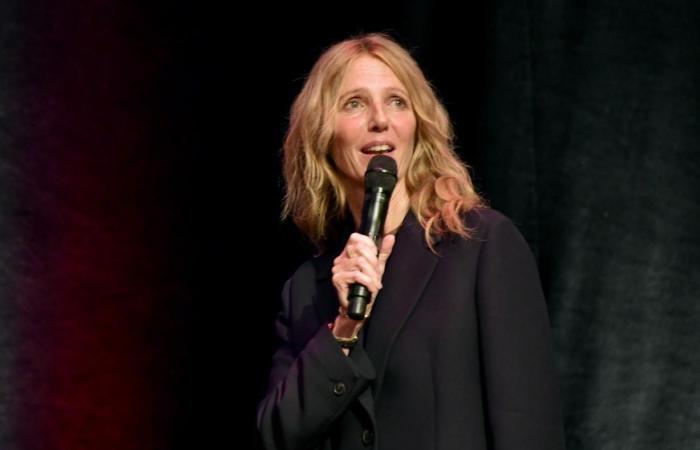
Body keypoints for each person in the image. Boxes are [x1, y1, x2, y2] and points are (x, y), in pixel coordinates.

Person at [257, 33, 565, 450]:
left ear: (418, 125)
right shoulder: (305, 290)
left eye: (397, 101)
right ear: (322, 134)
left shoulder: (480, 246)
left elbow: (527, 426)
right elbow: (278, 436)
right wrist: (344, 328)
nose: (380, 119)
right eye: (355, 103)